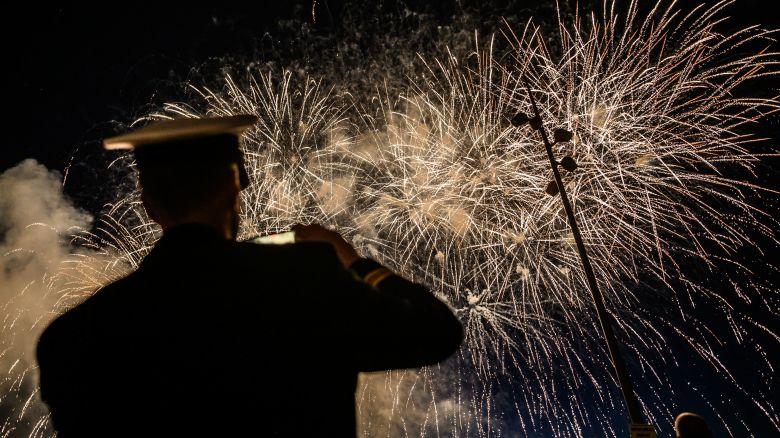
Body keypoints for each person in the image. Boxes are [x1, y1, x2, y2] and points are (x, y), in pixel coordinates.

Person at [36, 115, 463, 437]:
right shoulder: (306, 281)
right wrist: (350, 261)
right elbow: (437, 331)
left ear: (147, 204)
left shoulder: (72, 338)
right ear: (235, 183)